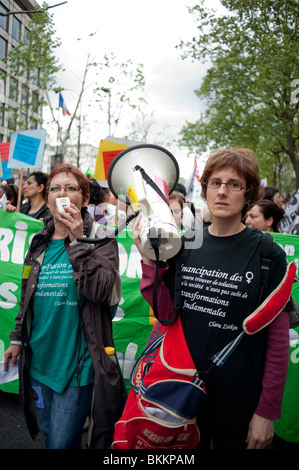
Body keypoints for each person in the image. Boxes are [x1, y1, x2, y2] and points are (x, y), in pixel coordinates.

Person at [133, 148, 292, 449]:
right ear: (204, 188)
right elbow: (167, 315)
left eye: (234, 184)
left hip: (238, 400)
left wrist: (266, 412)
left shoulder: (268, 253)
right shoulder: (186, 241)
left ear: (249, 195)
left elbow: (278, 340)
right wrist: (150, 264)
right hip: (181, 394)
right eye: (215, 182)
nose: (222, 191)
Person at [4, 163, 126, 449]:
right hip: (38, 363)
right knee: (48, 432)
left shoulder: (100, 240)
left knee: (60, 443)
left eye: (71, 188)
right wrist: (17, 338)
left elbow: (100, 291)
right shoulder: (38, 242)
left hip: (75, 369)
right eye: (55, 188)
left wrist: (77, 237)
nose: (62, 193)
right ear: (47, 197)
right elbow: (26, 295)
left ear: (84, 199)